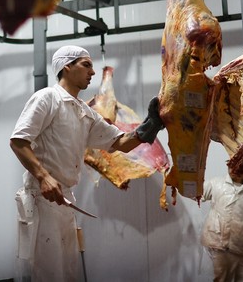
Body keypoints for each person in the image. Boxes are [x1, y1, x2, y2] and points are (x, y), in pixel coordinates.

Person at [9, 45, 164, 281]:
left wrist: (150, 125)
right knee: (47, 273)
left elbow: (120, 143)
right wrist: (43, 176)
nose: (92, 72)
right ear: (67, 66)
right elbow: (18, 141)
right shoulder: (47, 98)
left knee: (68, 273)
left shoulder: (85, 112)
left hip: (65, 200)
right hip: (42, 199)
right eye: (86, 65)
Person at [200, 171, 243, 282]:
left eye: (239, 165)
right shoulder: (216, 184)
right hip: (218, 242)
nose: (234, 169)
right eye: (231, 165)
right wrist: (183, 175)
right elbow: (192, 191)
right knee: (221, 278)